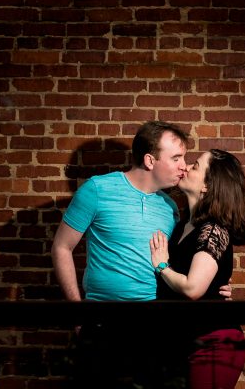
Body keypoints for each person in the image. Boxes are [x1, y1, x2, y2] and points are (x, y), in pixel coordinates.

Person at [51, 120, 189, 387]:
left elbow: (178, 265)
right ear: (150, 160)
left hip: (153, 324)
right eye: (177, 158)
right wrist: (77, 312)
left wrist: (218, 286)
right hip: (102, 320)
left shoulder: (170, 207)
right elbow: (61, 247)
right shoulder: (97, 190)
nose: (184, 165)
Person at [150, 148, 245, 389]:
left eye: (195, 166)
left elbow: (193, 289)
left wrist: (161, 266)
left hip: (214, 342)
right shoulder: (181, 227)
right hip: (186, 342)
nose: (185, 167)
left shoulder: (214, 229)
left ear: (208, 185)